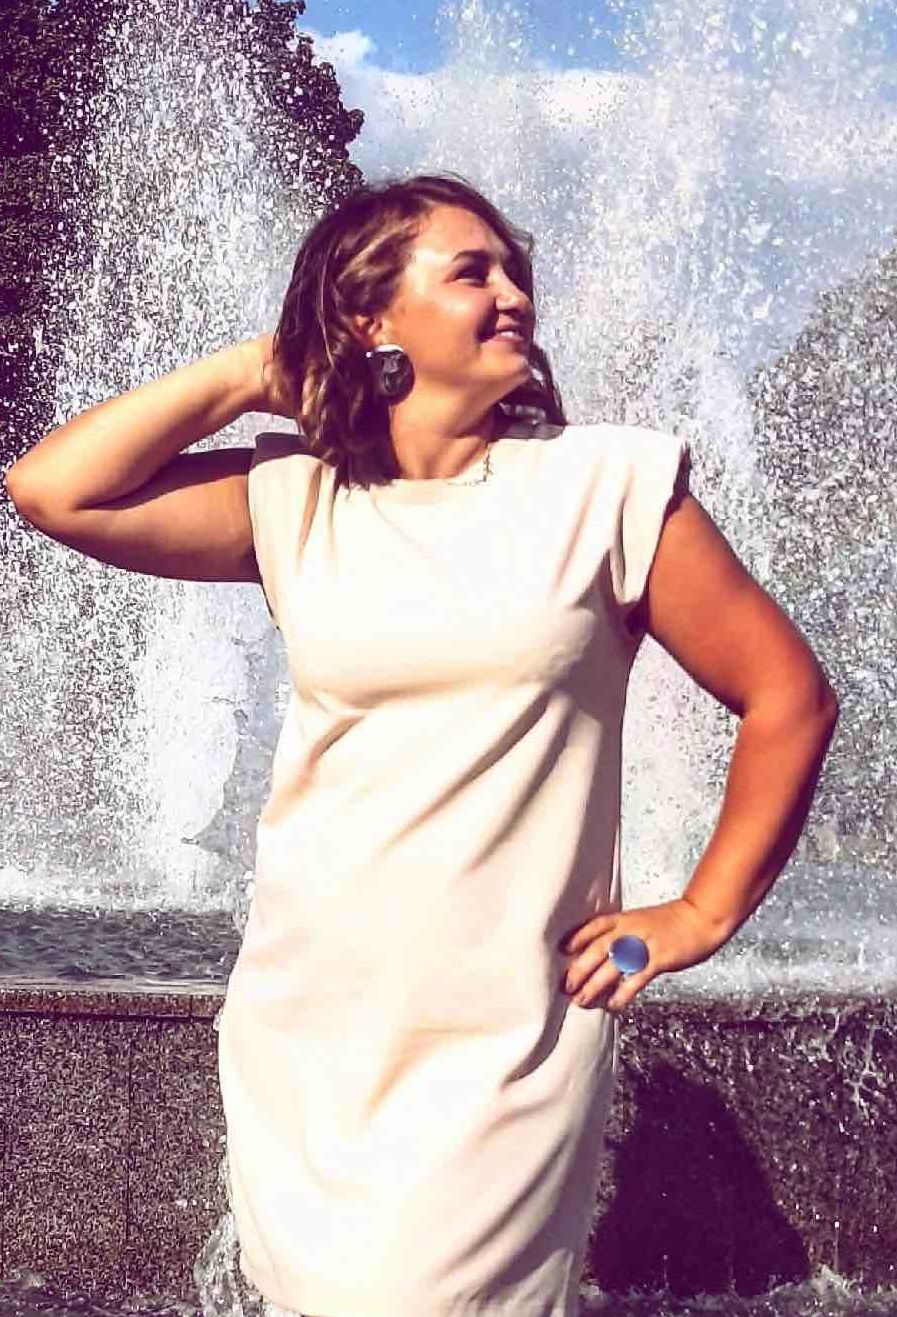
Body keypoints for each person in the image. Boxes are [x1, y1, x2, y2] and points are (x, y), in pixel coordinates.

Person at [4, 172, 839, 1317]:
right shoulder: (295, 495)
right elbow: (52, 490)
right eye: (470, 273)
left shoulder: (609, 486)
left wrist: (700, 913)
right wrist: (256, 370)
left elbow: (788, 696)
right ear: (369, 317)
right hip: (312, 1012)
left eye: (515, 272)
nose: (513, 296)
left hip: (505, 1029)